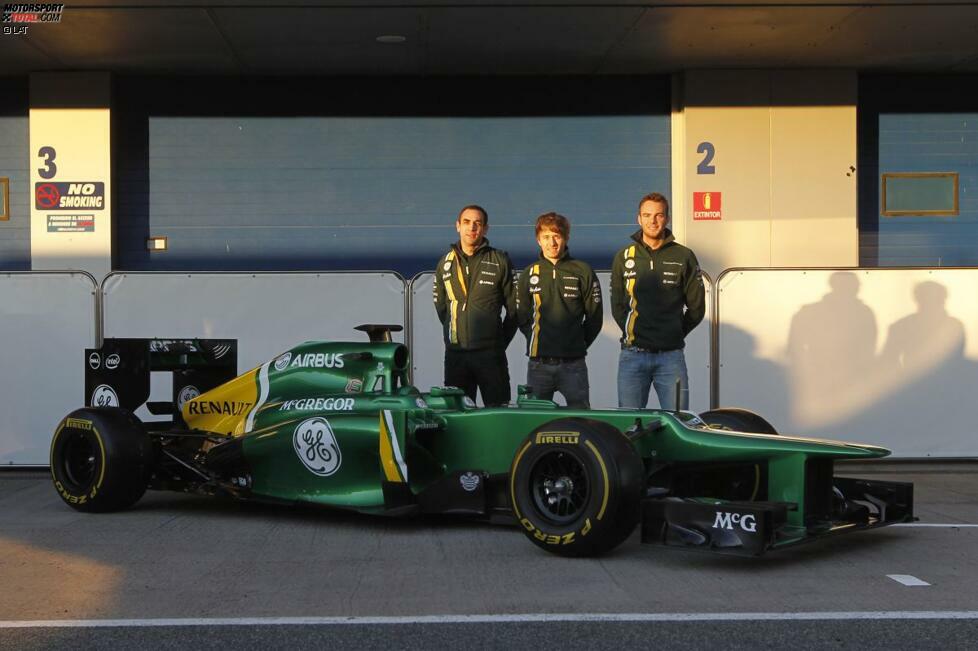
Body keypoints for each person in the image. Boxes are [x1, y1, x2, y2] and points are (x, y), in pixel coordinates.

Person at [611, 192, 705, 410]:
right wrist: (635, 332)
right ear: (639, 219)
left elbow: (696, 307)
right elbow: (618, 306)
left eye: (658, 215)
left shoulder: (684, 256)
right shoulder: (623, 257)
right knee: (629, 424)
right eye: (647, 215)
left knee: (679, 424)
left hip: (671, 357)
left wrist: (674, 332)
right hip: (632, 355)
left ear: (667, 219)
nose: (652, 221)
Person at [433, 205, 518, 406]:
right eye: (467, 222)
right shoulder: (445, 263)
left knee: (498, 415)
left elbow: (515, 310)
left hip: (491, 356)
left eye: (477, 224)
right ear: (457, 226)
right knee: (457, 418)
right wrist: (456, 335)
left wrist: (497, 342)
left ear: (485, 229)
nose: (472, 228)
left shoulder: (500, 260)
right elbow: (442, 308)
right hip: (456, 356)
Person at [517, 212, 602, 409]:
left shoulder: (583, 270)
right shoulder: (529, 273)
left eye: (557, 236)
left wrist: (577, 343)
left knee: (581, 420)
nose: (552, 242)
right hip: (539, 364)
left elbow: (594, 317)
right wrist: (537, 339)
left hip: (574, 364)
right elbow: (520, 316)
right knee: (535, 420)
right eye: (546, 237)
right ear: (538, 240)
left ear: (566, 238)